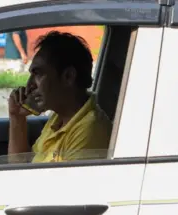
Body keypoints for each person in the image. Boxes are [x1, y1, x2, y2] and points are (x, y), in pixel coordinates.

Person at [8, 31, 112, 163]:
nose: (29, 86)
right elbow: (20, 168)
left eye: (38, 74)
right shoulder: (59, 120)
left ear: (68, 76)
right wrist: (17, 117)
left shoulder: (90, 130)